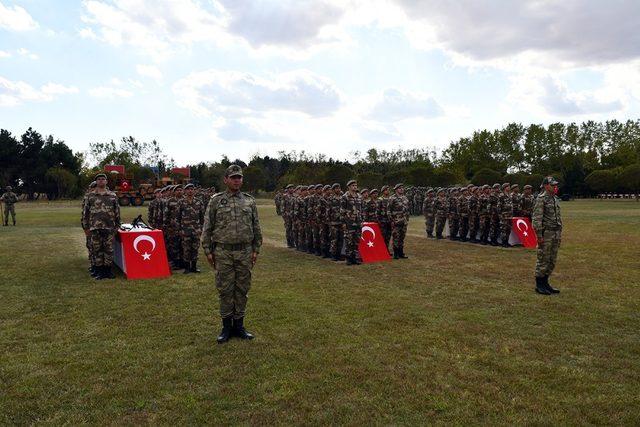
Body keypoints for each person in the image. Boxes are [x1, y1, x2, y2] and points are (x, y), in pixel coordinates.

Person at [201, 165, 262, 343]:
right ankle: (226, 327)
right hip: (223, 252)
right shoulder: (216, 200)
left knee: (242, 289)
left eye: (239, 177)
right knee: (225, 290)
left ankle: (239, 326)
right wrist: (208, 251)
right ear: (226, 180)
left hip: (244, 251)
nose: (237, 180)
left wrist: (256, 249)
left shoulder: (249, 201)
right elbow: (207, 227)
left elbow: (256, 226)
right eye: (233, 177)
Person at [81, 173, 120, 280]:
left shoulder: (112, 195)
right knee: (97, 250)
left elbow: (117, 211)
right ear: (96, 182)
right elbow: (86, 213)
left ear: (106, 181)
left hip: (109, 227)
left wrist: (117, 226)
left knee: (109, 250)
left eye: (103, 179)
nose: (101, 181)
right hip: (94, 227)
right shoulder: (90, 196)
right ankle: (99, 271)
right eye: (99, 179)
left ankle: (108, 271)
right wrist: (86, 227)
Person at [532, 176, 562, 295]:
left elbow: (558, 217)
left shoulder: (554, 198)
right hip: (546, 233)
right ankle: (539, 285)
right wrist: (539, 236)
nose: (554, 186)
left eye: (555, 184)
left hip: (555, 233)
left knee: (551, 260)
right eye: (552, 184)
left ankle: (546, 283)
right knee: (543, 259)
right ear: (545, 186)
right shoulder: (541, 199)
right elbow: (537, 219)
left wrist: (559, 232)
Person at [178, 183, 205, 273]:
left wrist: (201, 228)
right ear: (185, 191)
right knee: (186, 248)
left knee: (195, 248)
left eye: (192, 189)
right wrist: (179, 229)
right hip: (185, 230)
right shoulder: (181, 202)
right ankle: (187, 268)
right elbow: (177, 217)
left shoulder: (199, 202)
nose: (190, 191)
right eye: (188, 189)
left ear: (194, 191)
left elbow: (202, 216)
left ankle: (194, 267)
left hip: (196, 230)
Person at [340, 180, 362, 265]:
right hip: (349, 222)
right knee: (349, 241)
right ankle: (348, 259)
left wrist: (362, 220)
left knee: (356, 241)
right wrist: (343, 223)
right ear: (349, 186)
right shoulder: (345, 197)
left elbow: (361, 209)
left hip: (358, 222)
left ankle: (354, 258)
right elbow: (342, 211)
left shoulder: (359, 196)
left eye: (356, 185)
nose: (355, 187)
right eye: (353, 185)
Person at [387, 183, 410, 259]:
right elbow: (388, 211)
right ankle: (396, 253)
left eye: (402, 188)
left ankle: (401, 253)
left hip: (404, 221)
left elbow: (407, 210)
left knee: (402, 237)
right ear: (396, 189)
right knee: (396, 237)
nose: (402, 189)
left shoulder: (405, 198)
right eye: (400, 188)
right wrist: (392, 220)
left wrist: (407, 219)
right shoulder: (392, 198)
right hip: (396, 221)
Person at [328, 183, 344, 261]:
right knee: (334, 239)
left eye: (339, 188)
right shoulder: (330, 198)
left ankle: (339, 254)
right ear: (333, 190)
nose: (338, 189)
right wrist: (329, 221)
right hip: (334, 222)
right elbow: (328, 211)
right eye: (336, 188)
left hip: (341, 222)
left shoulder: (343, 198)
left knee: (341, 239)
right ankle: (333, 255)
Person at [377, 185, 392, 249]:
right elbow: (377, 211)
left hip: (389, 220)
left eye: (388, 189)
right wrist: (379, 220)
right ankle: (382, 249)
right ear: (383, 191)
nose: (388, 191)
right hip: (383, 221)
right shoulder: (380, 200)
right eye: (386, 190)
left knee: (388, 236)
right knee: (383, 236)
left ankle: (386, 249)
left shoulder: (391, 199)